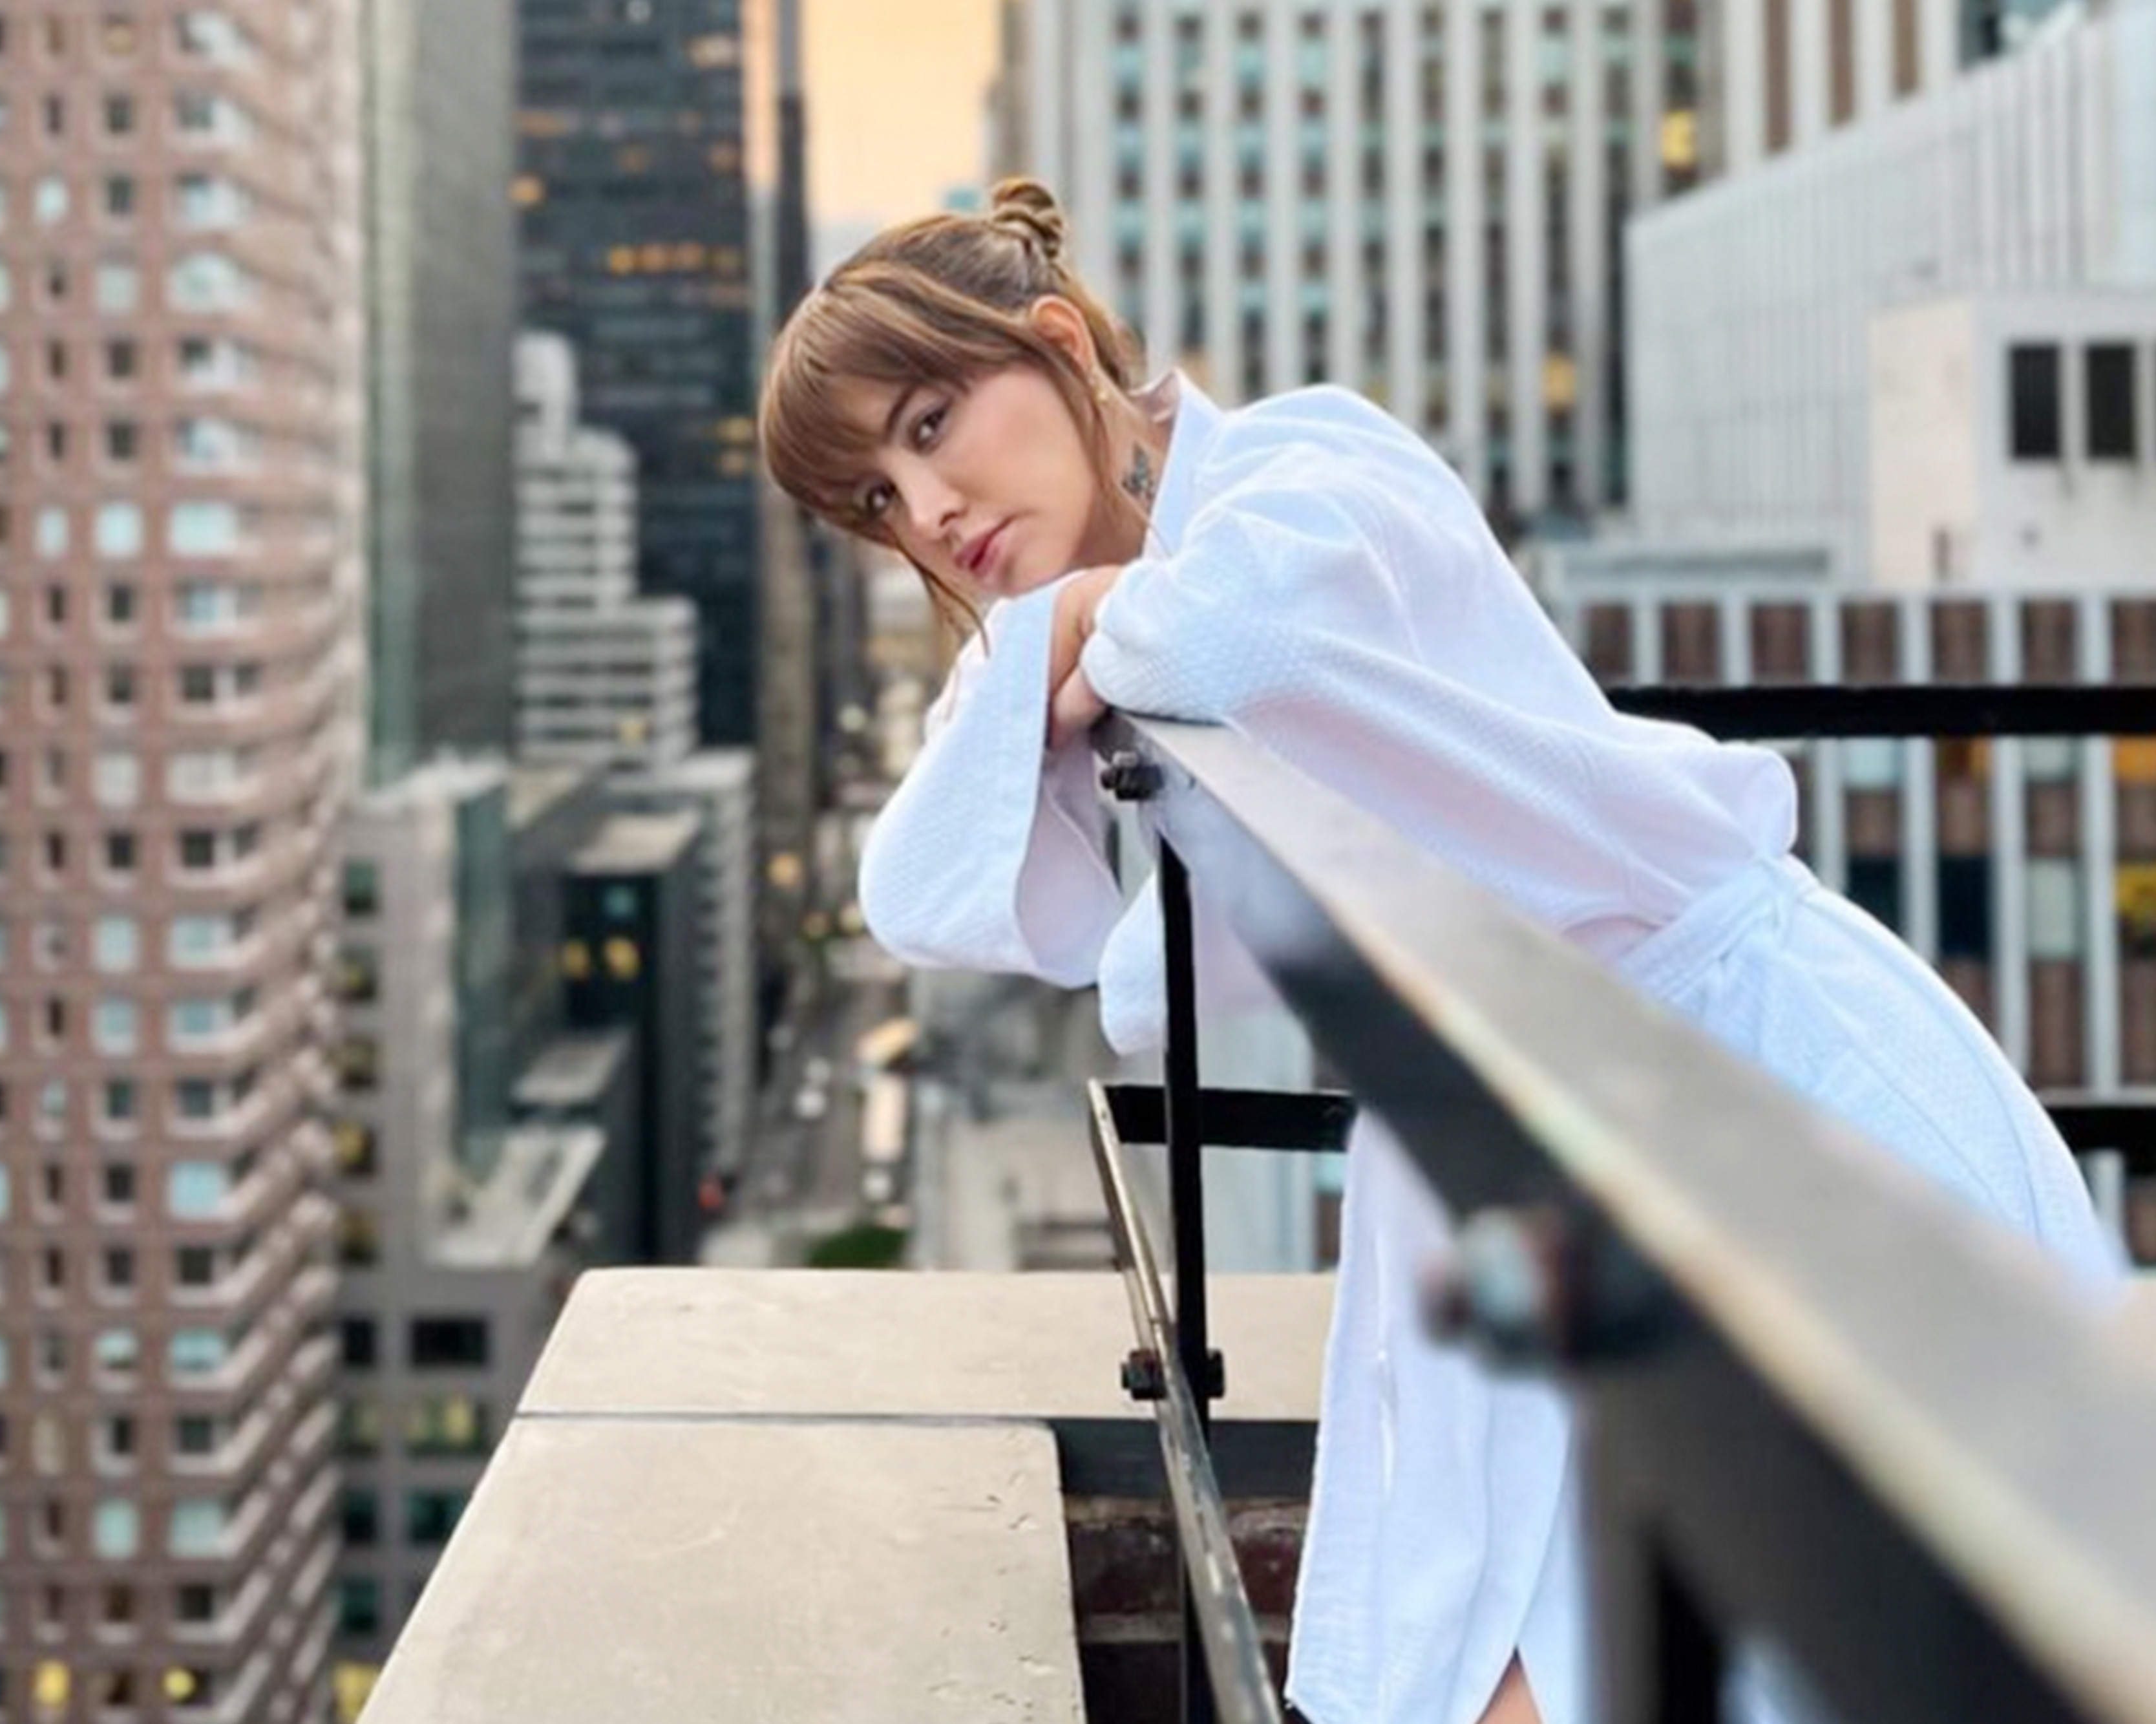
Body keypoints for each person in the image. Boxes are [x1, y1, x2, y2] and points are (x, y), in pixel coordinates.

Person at [757, 178, 2124, 1723]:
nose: (925, 512)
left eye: (930, 423)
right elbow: (914, 890)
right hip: (1519, 1150)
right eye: (875, 499)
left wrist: (1074, 614)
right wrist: (1049, 638)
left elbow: (1224, 645)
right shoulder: (1107, 631)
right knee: (1505, 1659)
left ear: (1057, 344)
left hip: (1738, 1067)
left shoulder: (1306, 464)